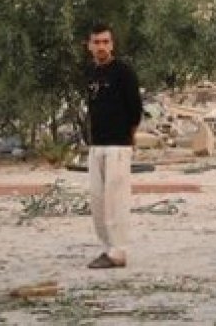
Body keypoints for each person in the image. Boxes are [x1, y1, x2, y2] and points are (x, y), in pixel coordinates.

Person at [81, 23, 143, 269]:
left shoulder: (123, 72)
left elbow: (135, 110)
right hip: (97, 145)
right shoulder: (92, 74)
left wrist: (128, 138)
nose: (101, 47)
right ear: (89, 46)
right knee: (98, 200)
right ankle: (106, 248)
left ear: (112, 44)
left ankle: (119, 252)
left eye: (106, 42)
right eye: (96, 42)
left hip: (117, 145)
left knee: (115, 201)